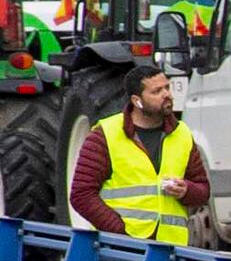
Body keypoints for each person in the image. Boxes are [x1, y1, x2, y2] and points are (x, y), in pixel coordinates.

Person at [67, 65, 193, 245]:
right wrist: (120, 231)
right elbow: (81, 194)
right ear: (137, 100)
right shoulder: (105, 135)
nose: (167, 95)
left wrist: (187, 190)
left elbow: (202, 190)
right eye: (157, 91)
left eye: (167, 88)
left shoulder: (182, 134)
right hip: (121, 250)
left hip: (168, 248)